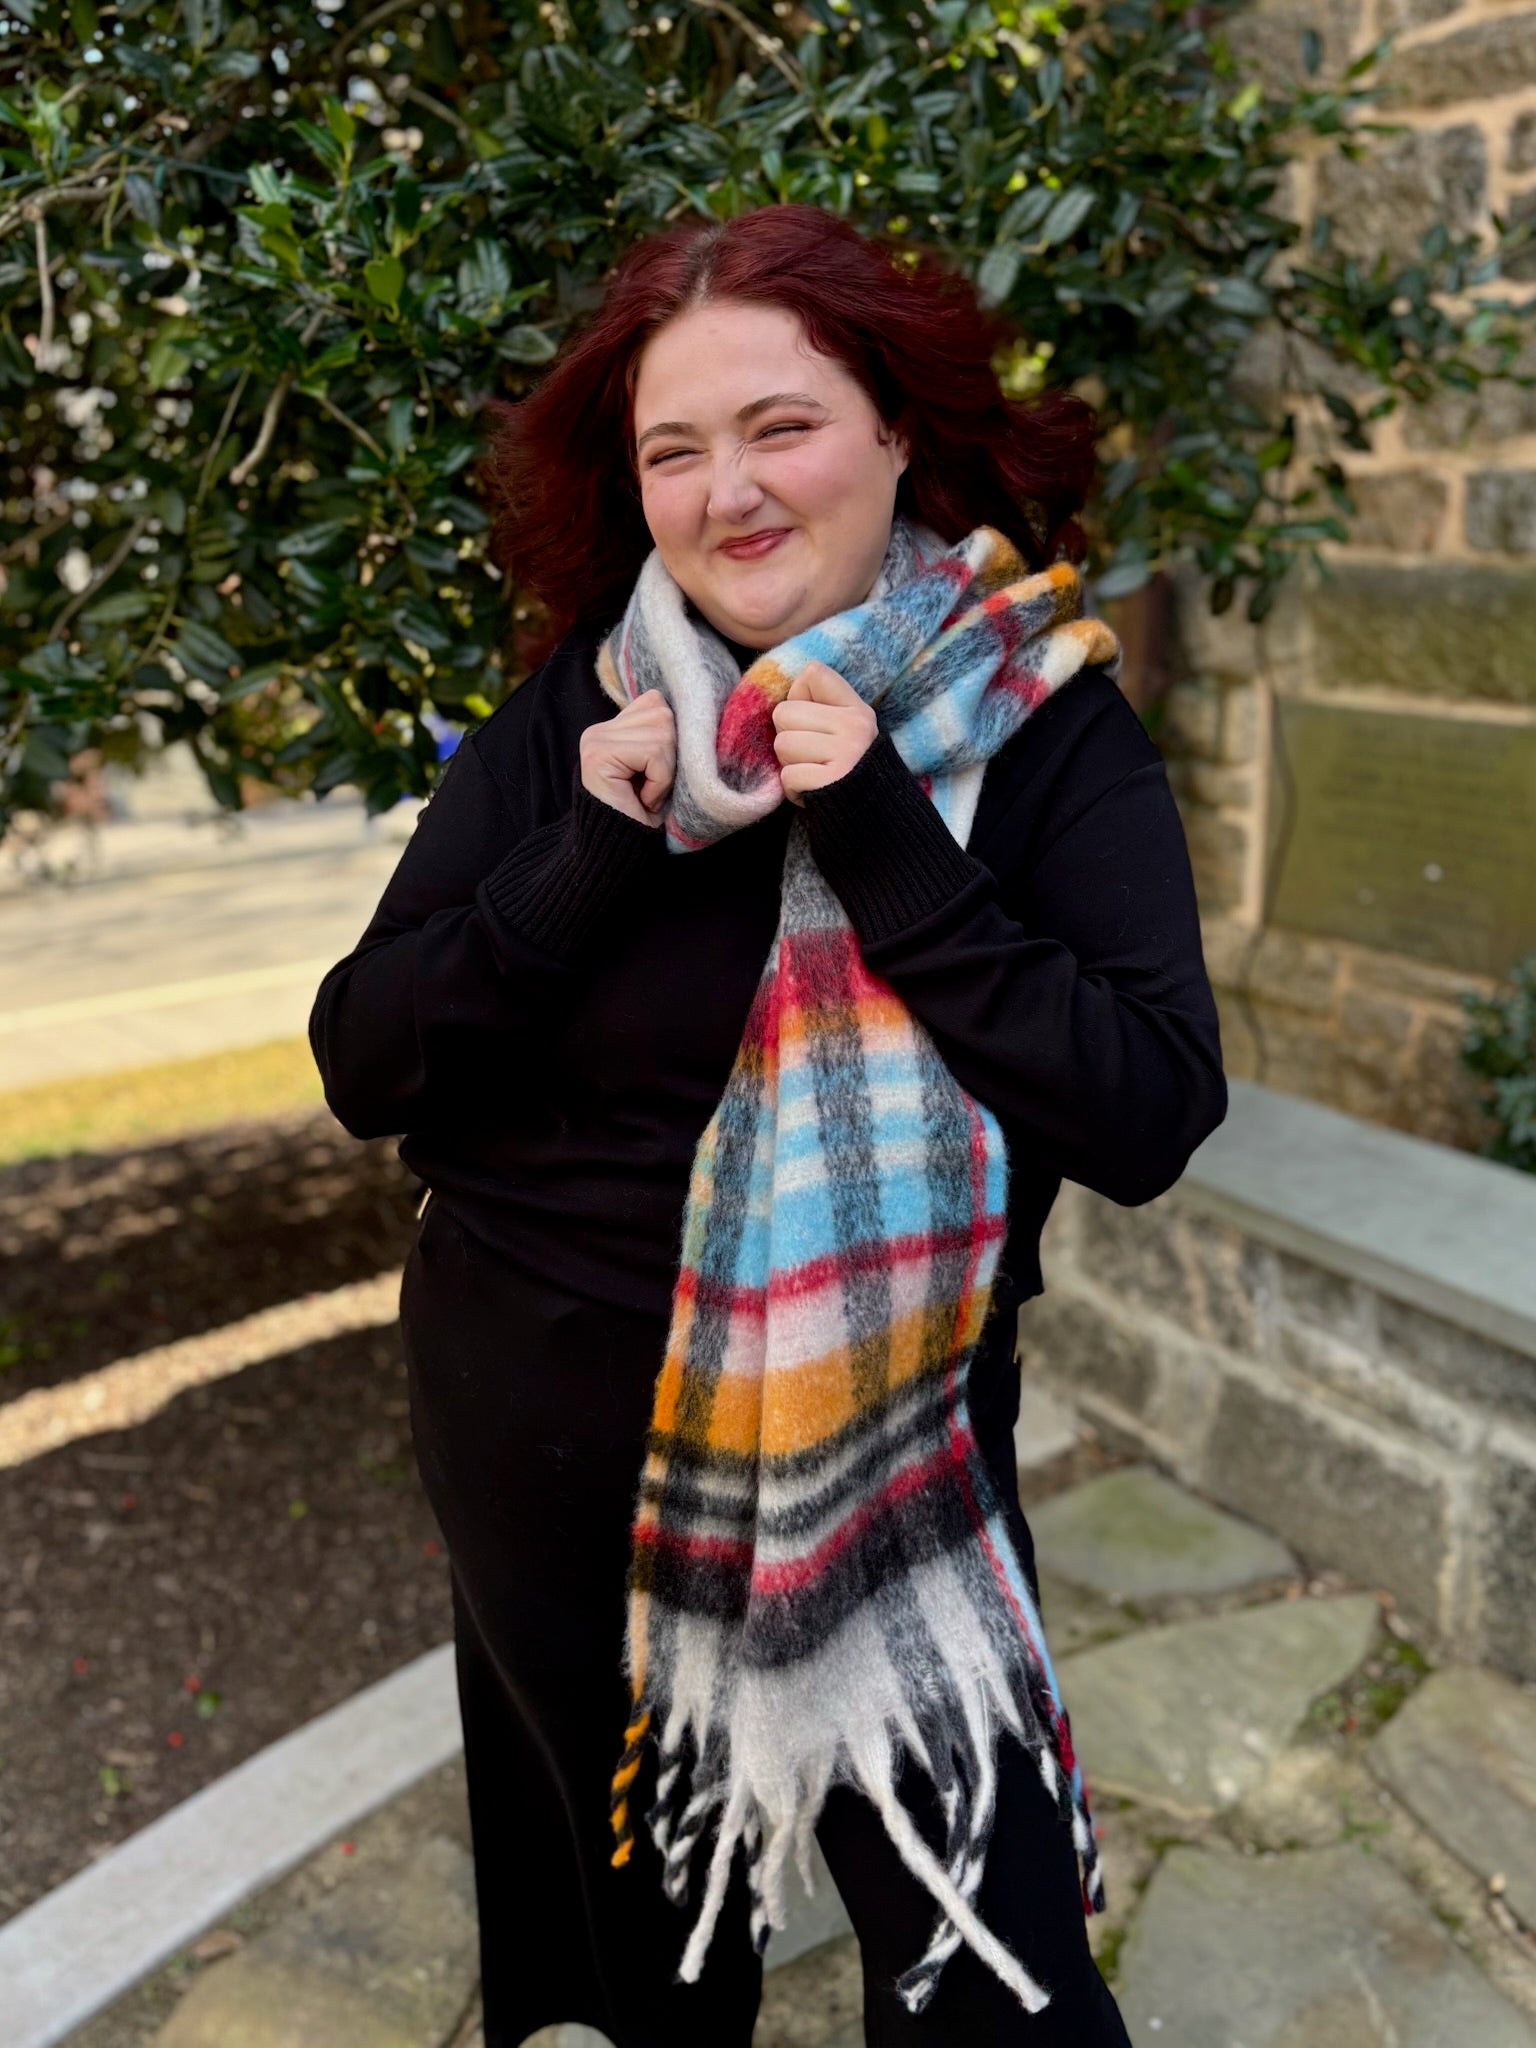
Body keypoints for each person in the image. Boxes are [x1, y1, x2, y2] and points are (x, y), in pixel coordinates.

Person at [309, 203, 1226, 2048]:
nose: (727, 491)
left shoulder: (1036, 725)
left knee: (993, 1964)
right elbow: (366, 1059)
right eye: (675, 450)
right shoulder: (589, 709)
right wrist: (580, 858)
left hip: (888, 1446)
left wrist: (889, 839)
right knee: (641, 1943)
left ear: (894, 429)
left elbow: (1144, 1107)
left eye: (780, 426)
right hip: (538, 1409)